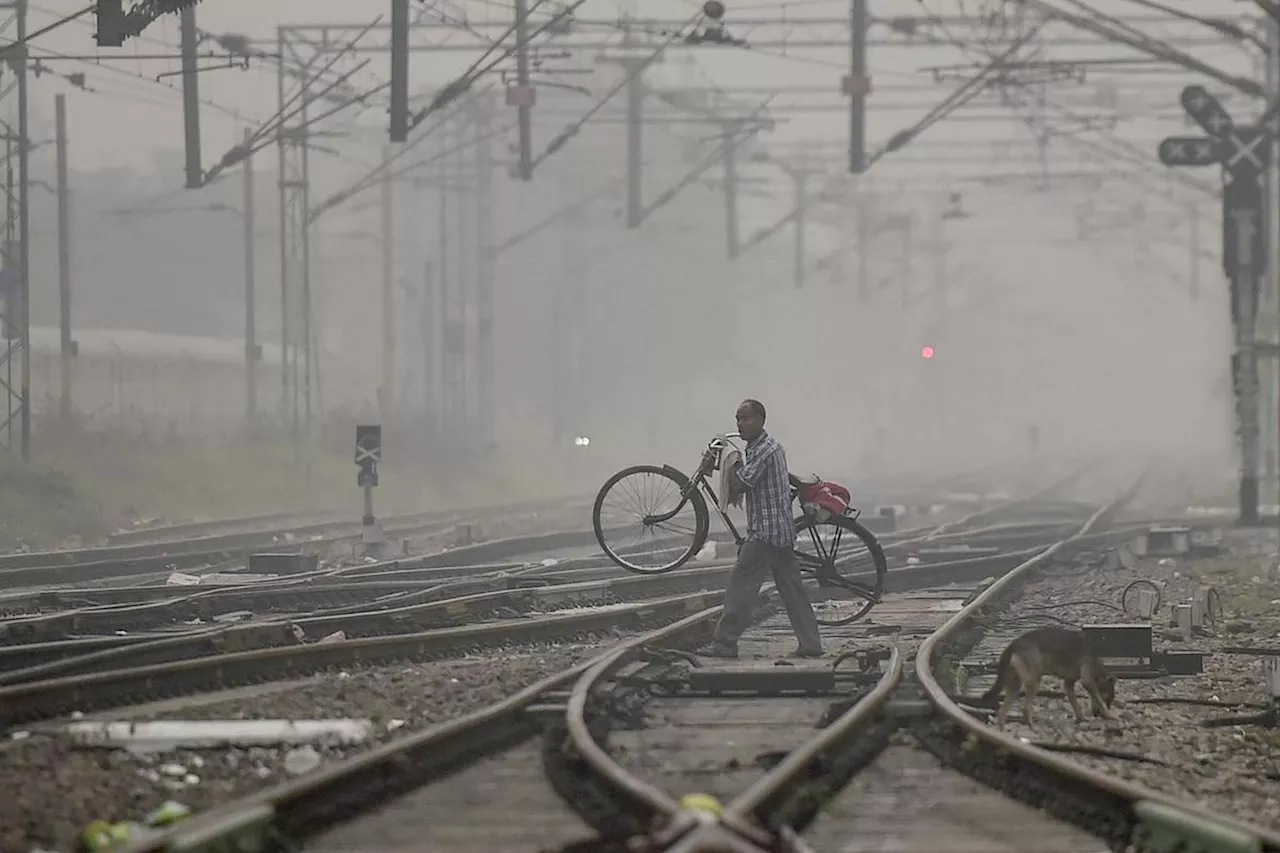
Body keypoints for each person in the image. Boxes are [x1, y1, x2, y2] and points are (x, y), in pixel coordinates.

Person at [700, 399, 824, 659]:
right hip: (780, 532)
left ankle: (725, 644)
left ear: (760, 420)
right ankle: (811, 644)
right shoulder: (760, 447)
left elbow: (742, 482)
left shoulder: (766, 449)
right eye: (737, 419)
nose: (740, 424)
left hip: (766, 534)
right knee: (793, 591)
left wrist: (730, 460)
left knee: (740, 586)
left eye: (746, 419)